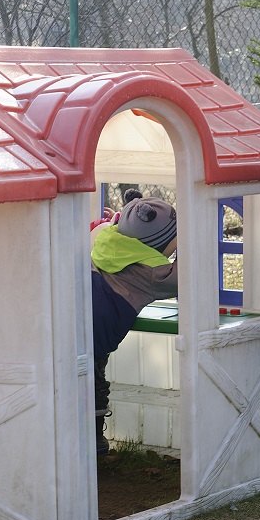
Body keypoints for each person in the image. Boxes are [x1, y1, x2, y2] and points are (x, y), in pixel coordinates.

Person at [91, 190, 178, 455]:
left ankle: (88, 443)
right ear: (159, 242)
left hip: (77, 320)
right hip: (96, 333)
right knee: (92, 385)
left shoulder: (107, 239)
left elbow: (110, 226)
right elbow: (187, 277)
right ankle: (93, 445)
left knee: (82, 382)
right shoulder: (152, 272)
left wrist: (116, 220)